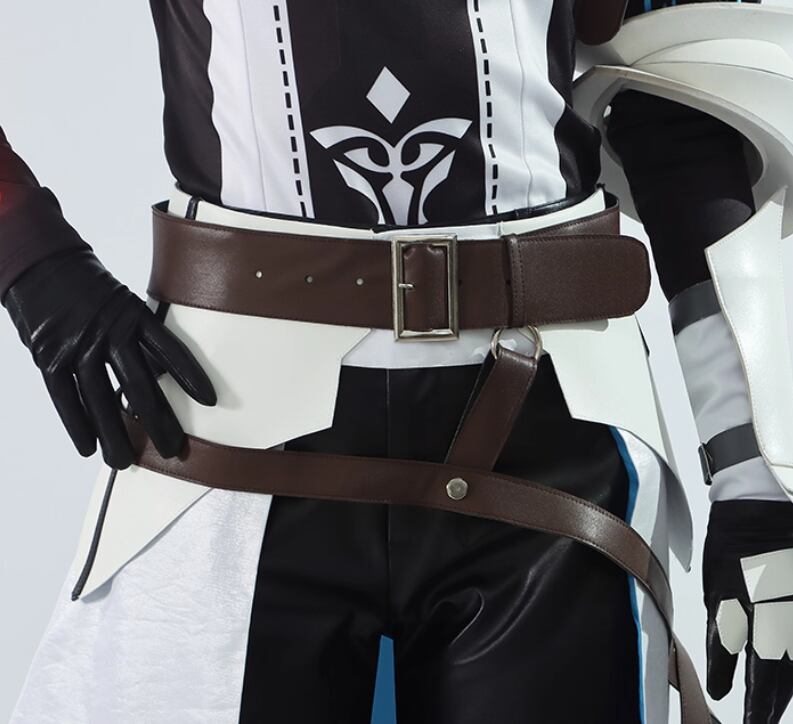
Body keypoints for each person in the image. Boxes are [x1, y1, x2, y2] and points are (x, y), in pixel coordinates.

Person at [1, 1, 790, 722]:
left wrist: (753, 467)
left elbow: (676, 93)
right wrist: (29, 255)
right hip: (231, 431)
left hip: (555, 435)